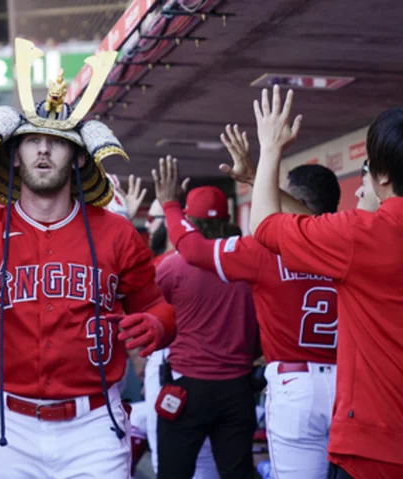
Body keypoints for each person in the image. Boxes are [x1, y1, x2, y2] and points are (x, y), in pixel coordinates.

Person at [0, 38, 177, 478]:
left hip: (96, 425)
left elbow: (157, 307)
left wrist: (158, 324)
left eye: (56, 142)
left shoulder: (117, 232)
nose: (43, 150)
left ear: (79, 158)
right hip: (13, 428)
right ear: (16, 157)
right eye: (32, 141)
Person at [158, 124, 341, 479]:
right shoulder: (352, 240)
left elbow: (193, 251)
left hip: (293, 385)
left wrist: (169, 205)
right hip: (350, 384)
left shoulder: (265, 251)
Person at [249, 85, 403, 478]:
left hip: (376, 448)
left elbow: (264, 226)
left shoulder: (366, 234)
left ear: (382, 175)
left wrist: (269, 149)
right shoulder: (362, 232)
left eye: (366, 169)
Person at [153, 157, 259, 479]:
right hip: (238, 389)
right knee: (237, 474)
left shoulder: (173, 265)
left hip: (188, 388)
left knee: (173, 474)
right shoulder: (248, 260)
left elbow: (151, 306)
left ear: (189, 223)